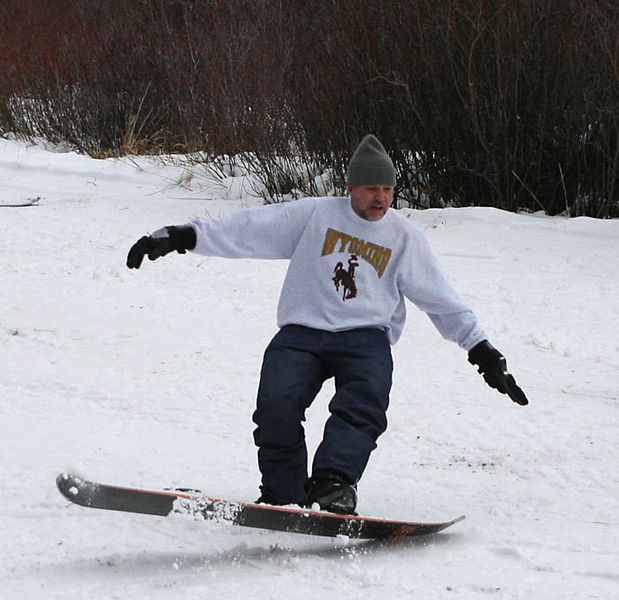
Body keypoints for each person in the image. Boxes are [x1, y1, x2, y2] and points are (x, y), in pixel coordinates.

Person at [126, 134, 528, 515]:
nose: (381, 198)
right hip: (302, 333)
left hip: (365, 338)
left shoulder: (403, 237)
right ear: (351, 188)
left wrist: (482, 350)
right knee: (275, 406)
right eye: (372, 188)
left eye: (387, 190)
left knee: (363, 403)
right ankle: (282, 496)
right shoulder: (314, 215)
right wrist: (182, 236)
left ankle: (333, 485)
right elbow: (249, 229)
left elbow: (441, 299)